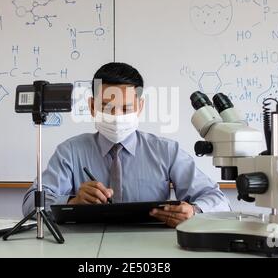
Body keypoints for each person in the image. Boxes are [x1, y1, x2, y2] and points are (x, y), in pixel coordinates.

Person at [23, 62, 230, 227]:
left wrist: (194, 211)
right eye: (107, 107)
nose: (116, 117)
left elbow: (218, 199)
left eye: (126, 108)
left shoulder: (166, 151)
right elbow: (30, 202)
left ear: (140, 107)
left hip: (150, 248)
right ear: (92, 106)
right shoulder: (70, 151)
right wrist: (71, 202)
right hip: (83, 245)